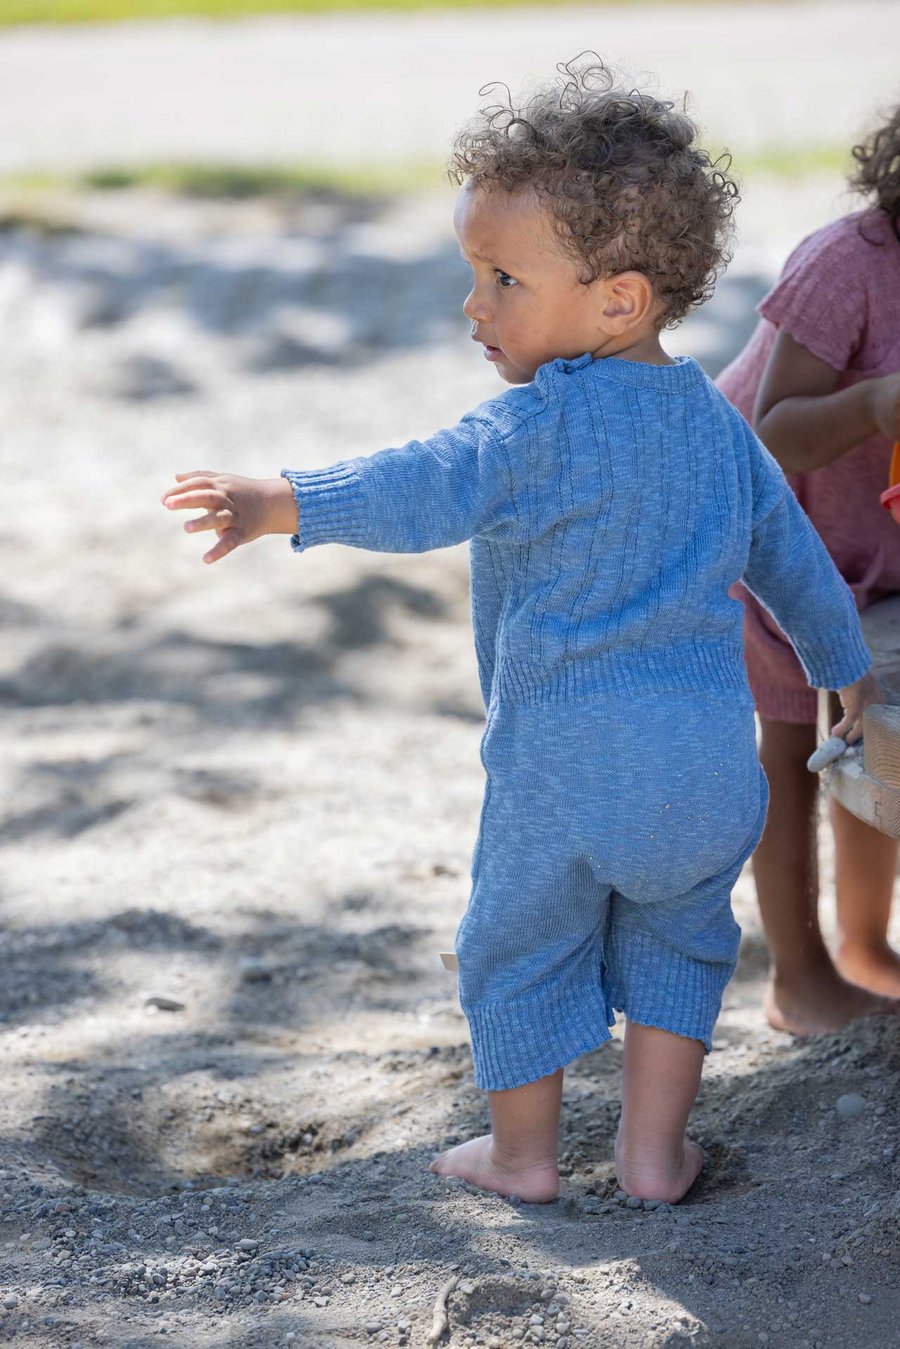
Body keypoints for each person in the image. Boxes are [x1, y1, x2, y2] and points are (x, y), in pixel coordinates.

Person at [162, 61, 880, 1205]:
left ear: (619, 300)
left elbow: (417, 484)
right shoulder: (719, 427)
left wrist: (283, 500)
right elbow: (793, 562)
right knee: (682, 943)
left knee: (522, 947)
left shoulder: (529, 428)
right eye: (474, 273)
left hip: (561, 764)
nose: (475, 305)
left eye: (503, 278)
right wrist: (844, 667)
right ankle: (654, 1157)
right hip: (706, 768)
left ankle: (522, 1155)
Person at [717, 103, 900, 1036]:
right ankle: (798, 975)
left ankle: (865, 946)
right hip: (771, 528)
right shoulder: (848, 263)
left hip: (872, 540)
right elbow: (775, 428)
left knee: (871, 729)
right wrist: (871, 404)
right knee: (794, 746)